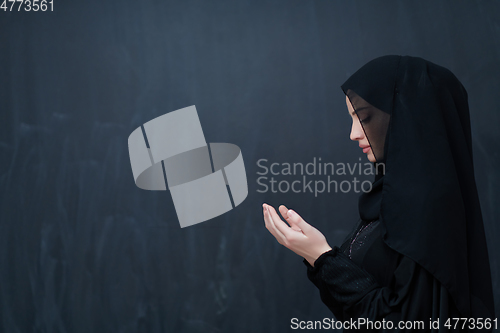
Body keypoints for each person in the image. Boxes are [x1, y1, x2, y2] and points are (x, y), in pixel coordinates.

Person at [262, 55, 495, 332]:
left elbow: (403, 323)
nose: (353, 134)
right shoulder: (391, 199)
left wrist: (322, 257)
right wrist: (319, 257)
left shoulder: (426, 207)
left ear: (406, 115)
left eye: (364, 117)